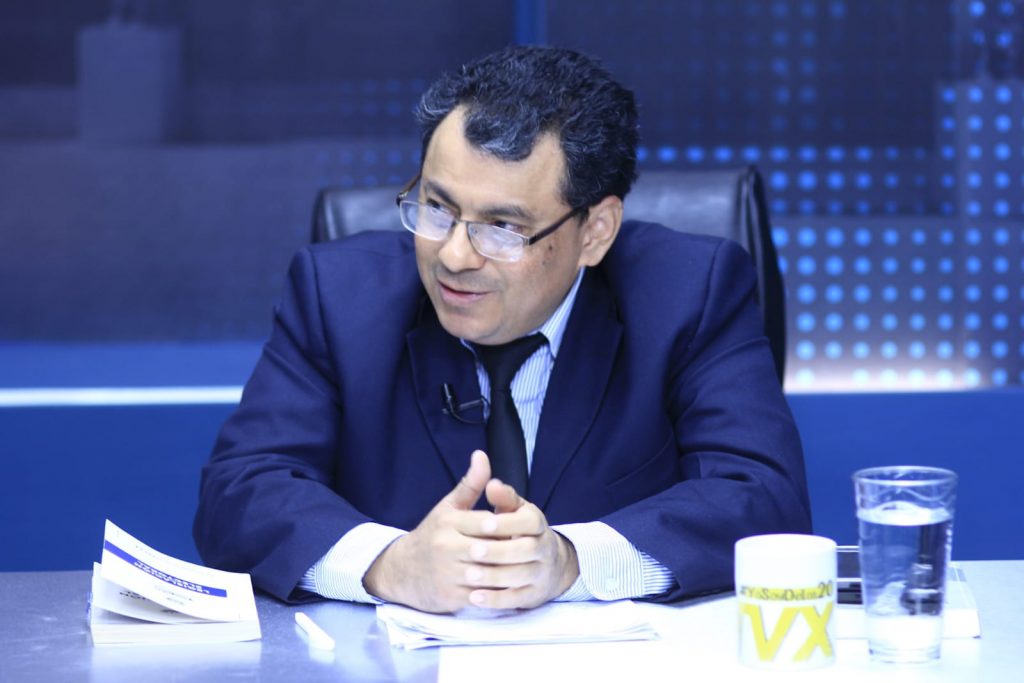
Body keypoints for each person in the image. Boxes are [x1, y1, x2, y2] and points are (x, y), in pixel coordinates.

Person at [193, 45, 811, 614]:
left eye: (502, 228)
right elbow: (239, 493)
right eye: (437, 208)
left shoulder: (690, 293)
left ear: (594, 232)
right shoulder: (338, 295)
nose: (454, 255)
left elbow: (763, 497)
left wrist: (572, 561)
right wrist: (388, 565)